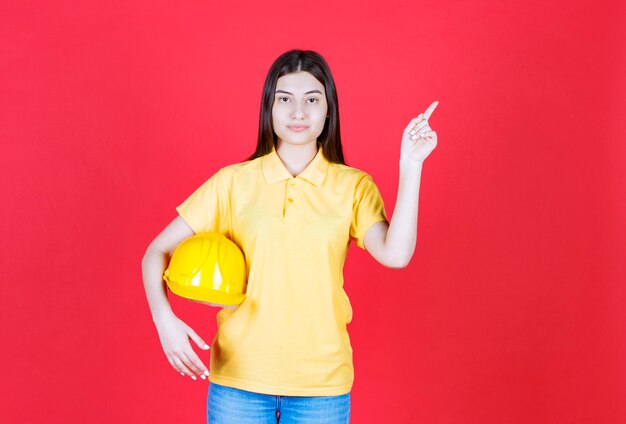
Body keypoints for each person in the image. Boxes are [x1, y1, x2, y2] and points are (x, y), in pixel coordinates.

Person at [141, 49, 439, 424]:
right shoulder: (233, 182)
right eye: (285, 99)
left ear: (328, 110)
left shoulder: (353, 187)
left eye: (312, 100)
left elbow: (395, 255)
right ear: (269, 107)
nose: (298, 112)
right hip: (239, 381)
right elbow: (156, 252)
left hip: (321, 387)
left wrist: (410, 165)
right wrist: (163, 321)